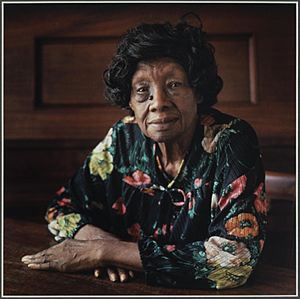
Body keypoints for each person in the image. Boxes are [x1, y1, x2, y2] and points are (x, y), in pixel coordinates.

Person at [21, 14, 268, 290]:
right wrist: (100, 244)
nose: (159, 103)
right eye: (142, 91)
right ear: (129, 101)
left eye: (174, 85)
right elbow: (61, 208)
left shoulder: (232, 141)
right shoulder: (124, 138)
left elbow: (236, 260)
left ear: (197, 92)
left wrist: (103, 252)